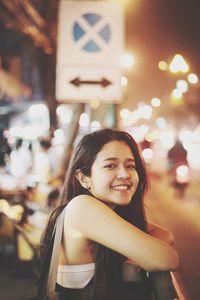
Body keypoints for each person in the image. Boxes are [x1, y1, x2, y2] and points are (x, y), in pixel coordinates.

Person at [40, 129, 179, 300]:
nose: (124, 174)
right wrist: (137, 258)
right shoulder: (82, 207)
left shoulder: (107, 213)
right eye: (110, 166)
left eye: (130, 166)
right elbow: (167, 258)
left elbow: (164, 234)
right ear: (84, 178)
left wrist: (132, 261)